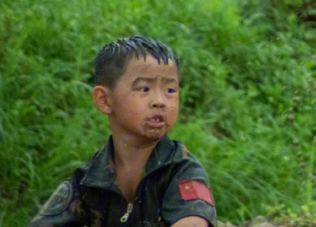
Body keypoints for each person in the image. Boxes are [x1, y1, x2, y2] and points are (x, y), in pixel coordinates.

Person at [29, 37, 217, 227]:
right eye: (144, 88)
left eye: (170, 89)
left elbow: (194, 223)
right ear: (104, 100)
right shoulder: (89, 180)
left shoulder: (180, 170)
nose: (160, 101)